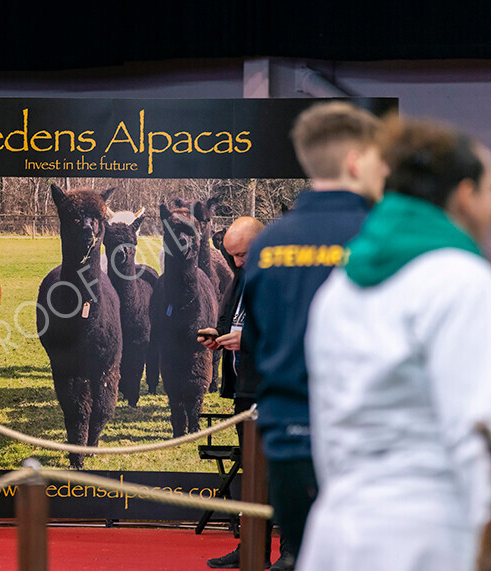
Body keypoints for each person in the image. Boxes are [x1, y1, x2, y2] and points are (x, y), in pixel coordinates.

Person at [300, 117, 491, 570]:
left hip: (337, 530)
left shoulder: (340, 287)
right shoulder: (462, 282)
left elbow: (327, 431)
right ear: (465, 195)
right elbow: (477, 431)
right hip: (432, 534)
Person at [239, 101, 389, 569]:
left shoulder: (267, 243)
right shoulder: (382, 236)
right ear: (355, 161)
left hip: (288, 436)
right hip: (367, 437)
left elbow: (257, 341)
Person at [198, 216, 287, 569]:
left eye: (243, 254)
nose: (236, 262)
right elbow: (233, 320)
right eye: (231, 255)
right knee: (252, 473)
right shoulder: (243, 276)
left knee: (277, 474)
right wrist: (217, 336)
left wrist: (245, 339)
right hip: (245, 390)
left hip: (273, 389)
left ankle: (290, 552)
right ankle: (252, 547)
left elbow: (290, 332)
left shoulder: (284, 276)